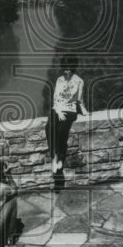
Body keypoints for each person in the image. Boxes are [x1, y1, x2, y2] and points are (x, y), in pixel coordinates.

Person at [47, 55, 86, 190]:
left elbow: (79, 100)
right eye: (64, 68)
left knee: (61, 132)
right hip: (58, 109)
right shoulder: (59, 80)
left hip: (70, 111)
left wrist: (85, 112)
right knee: (49, 127)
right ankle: (55, 157)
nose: (66, 71)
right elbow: (56, 98)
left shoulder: (79, 81)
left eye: (69, 69)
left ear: (73, 68)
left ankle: (58, 160)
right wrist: (58, 111)